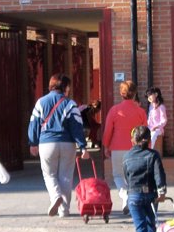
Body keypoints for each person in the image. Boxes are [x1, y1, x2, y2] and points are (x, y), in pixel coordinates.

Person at [28, 73, 89, 217]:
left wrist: (33, 142)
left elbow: (34, 123)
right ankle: (64, 210)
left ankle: (55, 196)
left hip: (47, 143)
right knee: (66, 176)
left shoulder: (41, 102)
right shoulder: (70, 104)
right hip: (67, 143)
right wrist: (83, 146)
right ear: (65, 87)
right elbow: (77, 127)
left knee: (49, 174)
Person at [122, 125, 167, 232]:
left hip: (134, 195)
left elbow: (126, 177)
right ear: (149, 140)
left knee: (140, 227)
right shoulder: (153, 155)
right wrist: (162, 192)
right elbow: (159, 175)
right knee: (150, 224)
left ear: (133, 140)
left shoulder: (127, 156)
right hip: (150, 194)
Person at [102, 80, 147, 214]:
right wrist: (147, 147)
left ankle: (124, 194)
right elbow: (145, 131)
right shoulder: (140, 111)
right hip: (135, 148)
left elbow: (108, 130)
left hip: (117, 147)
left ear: (121, 93)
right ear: (135, 94)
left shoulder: (114, 110)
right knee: (133, 176)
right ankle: (130, 199)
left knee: (117, 175)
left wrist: (106, 145)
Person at [145, 86, 167, 155]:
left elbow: (164, 120)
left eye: (150, 95)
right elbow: (149, 119)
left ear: (156, 94)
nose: (149, 97)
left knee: (153, 135)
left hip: (158, 129)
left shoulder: (161, 107)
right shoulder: (151, 106)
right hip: (150, 128)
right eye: (148, 96)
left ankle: (149, 151)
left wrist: (157, 127)